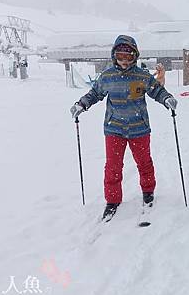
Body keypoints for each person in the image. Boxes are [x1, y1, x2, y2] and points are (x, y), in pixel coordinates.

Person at [70, 35, 178, 222]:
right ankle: (112, 201)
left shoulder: (142, 76)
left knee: (144, 163)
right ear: (114, 56)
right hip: (114, 129)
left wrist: (167, 99)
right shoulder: (107, 76)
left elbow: (157, 90)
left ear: (135, 56)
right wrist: (82, 104)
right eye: (121, 56)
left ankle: (148, 192)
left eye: (129, 57)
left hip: (139, 129)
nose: (125, 61)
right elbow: (95, 93)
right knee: (113, 167)